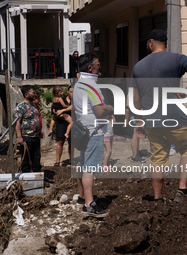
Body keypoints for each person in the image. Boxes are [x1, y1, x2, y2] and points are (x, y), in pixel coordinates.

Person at [131, 29, 187, 203]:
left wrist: (139, 122)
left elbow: (135, 101)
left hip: (152, 121)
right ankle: (181, 190)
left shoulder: (138, 66)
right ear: (164, 43)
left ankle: (158, 198)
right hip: (175, 118)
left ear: (150, 43)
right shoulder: (177, 58)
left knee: (158, 158)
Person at [73, 53, 113, 216]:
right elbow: (100, 110)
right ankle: (89, 205)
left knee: (84, 165)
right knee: (90, 169)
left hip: (84, 130)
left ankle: (83, 197)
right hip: (94, 132)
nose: (100, 66)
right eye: (98, 64)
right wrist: (110, 108)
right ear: (90, 67)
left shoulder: (78, 84)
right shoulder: (91, 86)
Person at [14, 85, 42, 172]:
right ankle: (26, 179)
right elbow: (17, 122)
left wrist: (40, 131)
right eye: (33, 93)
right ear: (26, 95)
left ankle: (37, 178)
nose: (34, 94)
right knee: (26, 158)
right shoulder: (21, 107)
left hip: (35, 136)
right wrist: (19, 137)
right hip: (26, 136)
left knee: (36, 158)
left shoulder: (34, 105)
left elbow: (36, 118)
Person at [53, 86, 73, 166]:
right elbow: (53, 108)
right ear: (67, 92)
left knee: (71, 142)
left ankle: (71, 161)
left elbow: (74, 107)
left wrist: (63, 110)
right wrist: (57, 113)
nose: (72, 93)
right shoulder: (61, 99)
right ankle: (58, 161)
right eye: (71, 91)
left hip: (72, 123)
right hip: (61, 123)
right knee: (60, 142)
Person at [124, 96, 147, 163]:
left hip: (138, 115)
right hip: (136, 116)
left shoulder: (136, 91)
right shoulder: (133, 92)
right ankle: (134, 156)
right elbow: (128, 105)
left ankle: (137, 153)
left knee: (137, 136)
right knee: (135, 136)